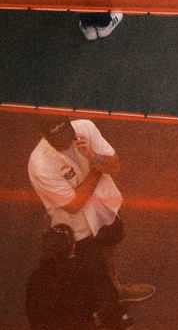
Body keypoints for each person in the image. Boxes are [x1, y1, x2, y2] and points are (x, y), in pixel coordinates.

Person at [28, 119, 152, 305]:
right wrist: (97, 169)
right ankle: (102, 312)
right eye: (58, 140)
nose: (65, 143)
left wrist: (94, 157)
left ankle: (117, 289)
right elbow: (73, 205)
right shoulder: (40, 164)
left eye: (66, 135)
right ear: (44, 137)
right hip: (77, 227)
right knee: (91, 274)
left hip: (105, 208)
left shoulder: (85, 128)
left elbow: (115, 166)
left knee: (110, 249)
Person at [25, 224, 124, 330]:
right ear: (73, 245)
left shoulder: (36, 278)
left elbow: (33, 315)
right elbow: (111, 304)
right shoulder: (89, 271)